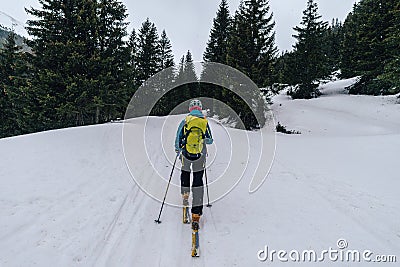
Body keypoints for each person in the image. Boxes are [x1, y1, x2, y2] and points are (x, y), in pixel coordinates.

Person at [175, 99, 213, 228]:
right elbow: (210, 140)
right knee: (198, 180)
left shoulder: (185, 120)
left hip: (186, 153)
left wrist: (178, 150)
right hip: (200, 155)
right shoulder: (204, 122)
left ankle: (185, 193)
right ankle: (196, 213)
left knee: (185, 171)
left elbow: (178, 137)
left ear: (190, 109)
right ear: (200, 108)